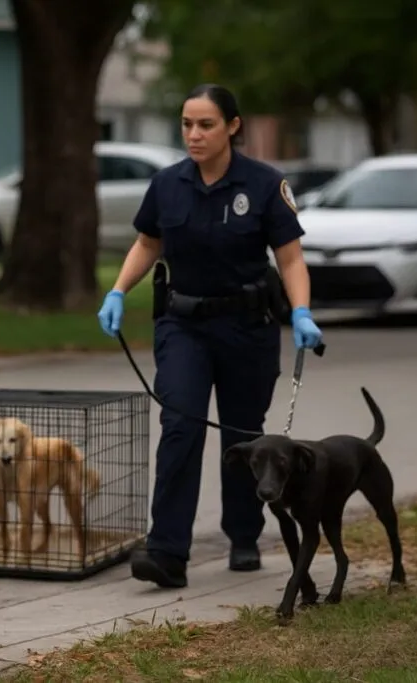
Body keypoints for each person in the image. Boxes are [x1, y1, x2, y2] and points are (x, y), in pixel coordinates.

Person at [96, 83, 323, 589]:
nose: (193, 135)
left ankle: (244, 535)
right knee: (180, 424)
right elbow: (147, 242)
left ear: (233, 127)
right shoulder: (167, 184)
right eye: (186, 125)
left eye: (206, 125)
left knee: (245, 434)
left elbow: (289, 257)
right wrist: (117, 291)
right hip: (183, 324)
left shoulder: (264, 184)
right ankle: (167, 552)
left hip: (247, 326)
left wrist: (302, 311)